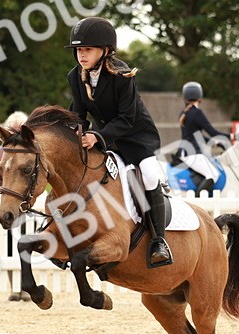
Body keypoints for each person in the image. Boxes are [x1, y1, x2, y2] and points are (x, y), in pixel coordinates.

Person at [65, 16, 172, 267]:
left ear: (105, 51)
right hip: (107, 140)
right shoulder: (75, 76)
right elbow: (78, 113)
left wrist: (97, 136)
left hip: (136, 138)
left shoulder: (121, 75)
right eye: (79, 50)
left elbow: (126, 119)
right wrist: (74, 132)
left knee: (148, 175)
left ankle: (159, 241)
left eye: (87, 49)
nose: (82, 55)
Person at [0, 110, 31, 302]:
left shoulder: (31, 152)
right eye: (14, 130)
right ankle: (15, 287)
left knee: (27, 245)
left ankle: (27, 286)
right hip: (8, 206)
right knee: (9, 247)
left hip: (26, 206)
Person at [175, 81, 228, 197]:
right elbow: (213, 132)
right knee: (213, 174)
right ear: (199, 97)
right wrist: (231, 136)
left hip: (185, 152)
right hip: (192, 153)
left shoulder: (184, 113)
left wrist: (213, 142)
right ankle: (199, 201)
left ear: (185, 97)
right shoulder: (197, 113)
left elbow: (196, 135)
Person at [0, 111, 29, 193]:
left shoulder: (32, 152)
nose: (16, 136)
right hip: (5, 196)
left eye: (19, 132)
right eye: (12, 132)